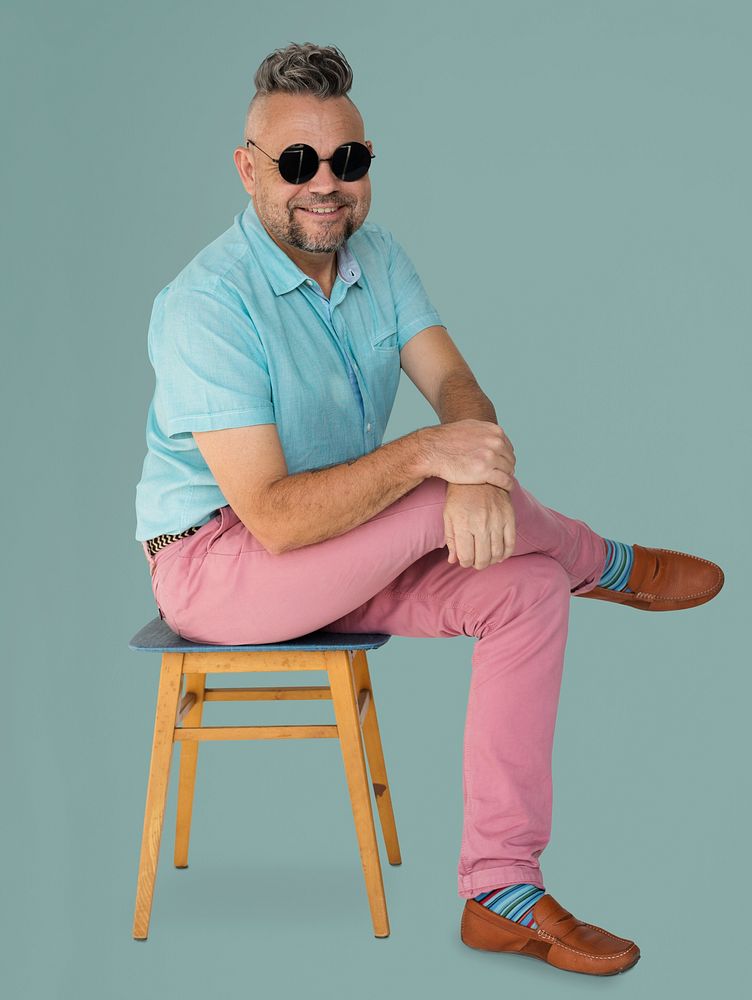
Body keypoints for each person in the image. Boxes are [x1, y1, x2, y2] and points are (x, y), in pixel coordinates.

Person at [133, 42, 723, 975]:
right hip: (221, 566)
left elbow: (455, 385)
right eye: (297, 163)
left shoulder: (380, 257)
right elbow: (278, 520)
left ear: (367, 164)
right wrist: (434, 461)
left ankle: (501, 891)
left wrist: (478, 469)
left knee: (526, 587)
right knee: (447, 493)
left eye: (348, 161)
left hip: (344, 550)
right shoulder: (205, 305)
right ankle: (608, 563)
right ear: (248, 169)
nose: (326, 185)